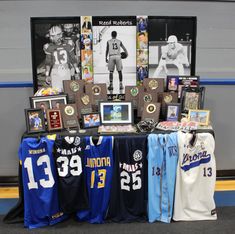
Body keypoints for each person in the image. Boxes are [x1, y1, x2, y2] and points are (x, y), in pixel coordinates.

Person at [43, 25, 79, 92]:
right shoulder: (49, 47)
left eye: (57, 35)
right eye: (53, 36)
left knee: (67, 90)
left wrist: (77, 71)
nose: (55, 38)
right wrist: (47, 75)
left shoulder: (68, 44)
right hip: (55, 71)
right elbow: (48, 62)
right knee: (56, 91)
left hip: (66, 70)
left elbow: (73, 59)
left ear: (61, 34)